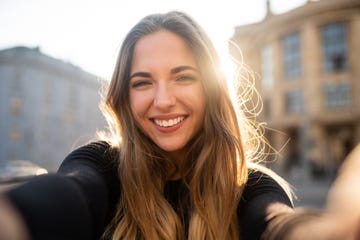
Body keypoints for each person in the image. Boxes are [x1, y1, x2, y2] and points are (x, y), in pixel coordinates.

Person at [0, 11, 359, 240]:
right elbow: (71, 194)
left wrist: (327, 231)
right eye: (142, 82)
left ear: (212, 89)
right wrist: (13, 219)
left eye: (182, 77)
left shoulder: (251, 185)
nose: (163, 99)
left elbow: (275, 223)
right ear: (123, 98)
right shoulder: (102, 165)